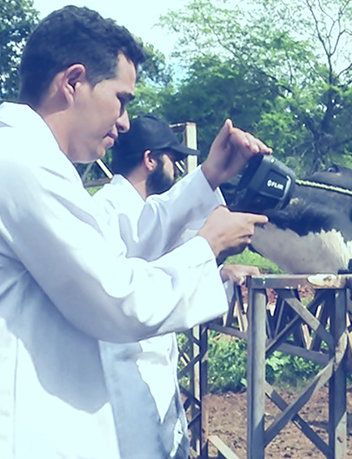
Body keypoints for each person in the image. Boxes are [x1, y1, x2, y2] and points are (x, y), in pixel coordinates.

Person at [0, 6, 270, 459]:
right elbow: (119, 298)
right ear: (73, 81)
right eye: (121, 99)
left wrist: (208, 177)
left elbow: (116, 244)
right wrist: (208, 244)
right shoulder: (18, 163)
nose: (123, 121)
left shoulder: (26, 162)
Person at [91, 115, 261, 459]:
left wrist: (219, 270)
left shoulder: (140, 211)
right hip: (125, 389)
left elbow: (161, 257)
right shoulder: (106, 210)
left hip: (152, 380)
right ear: (151, 160)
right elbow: (140, 285)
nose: (178, 169)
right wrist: (209, 246)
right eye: (174, 160)